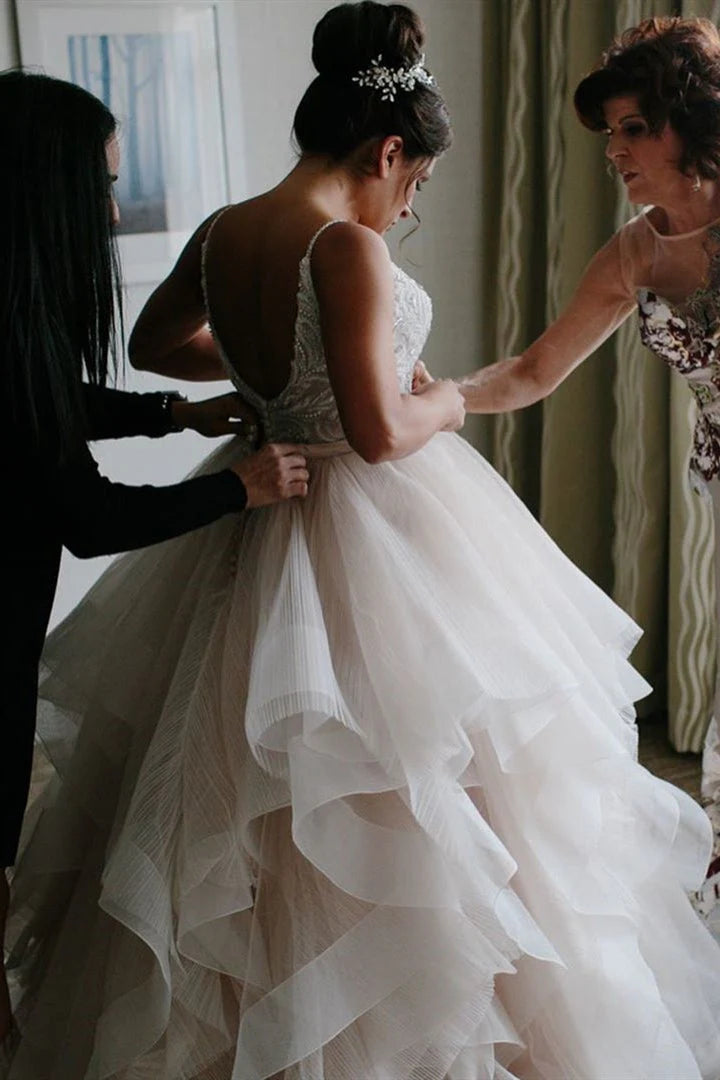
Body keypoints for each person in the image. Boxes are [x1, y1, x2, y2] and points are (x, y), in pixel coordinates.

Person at [5, 6, 720, 1078]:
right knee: (418, 771)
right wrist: (431, 403)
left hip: (261, 498)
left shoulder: (226, 225)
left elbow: (161, 343)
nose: (411, 205)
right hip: (366, 510)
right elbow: (382, 432)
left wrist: (264, 381)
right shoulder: (347, 244)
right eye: (417, 184)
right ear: (390, 151)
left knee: (246, 776)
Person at [0, 68, 309, 1048]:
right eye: (100, 183)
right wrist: (236, 488)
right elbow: (84, 513)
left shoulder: (15, 302)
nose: (112, 205)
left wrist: (167, 411)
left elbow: (50, 405)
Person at [437, 15, 720, 939]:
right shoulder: (637, 252)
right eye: (610, 136)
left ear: (690, 121)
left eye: (636, 128)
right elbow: (529, 373)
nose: (618, 153)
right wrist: (432, 397)